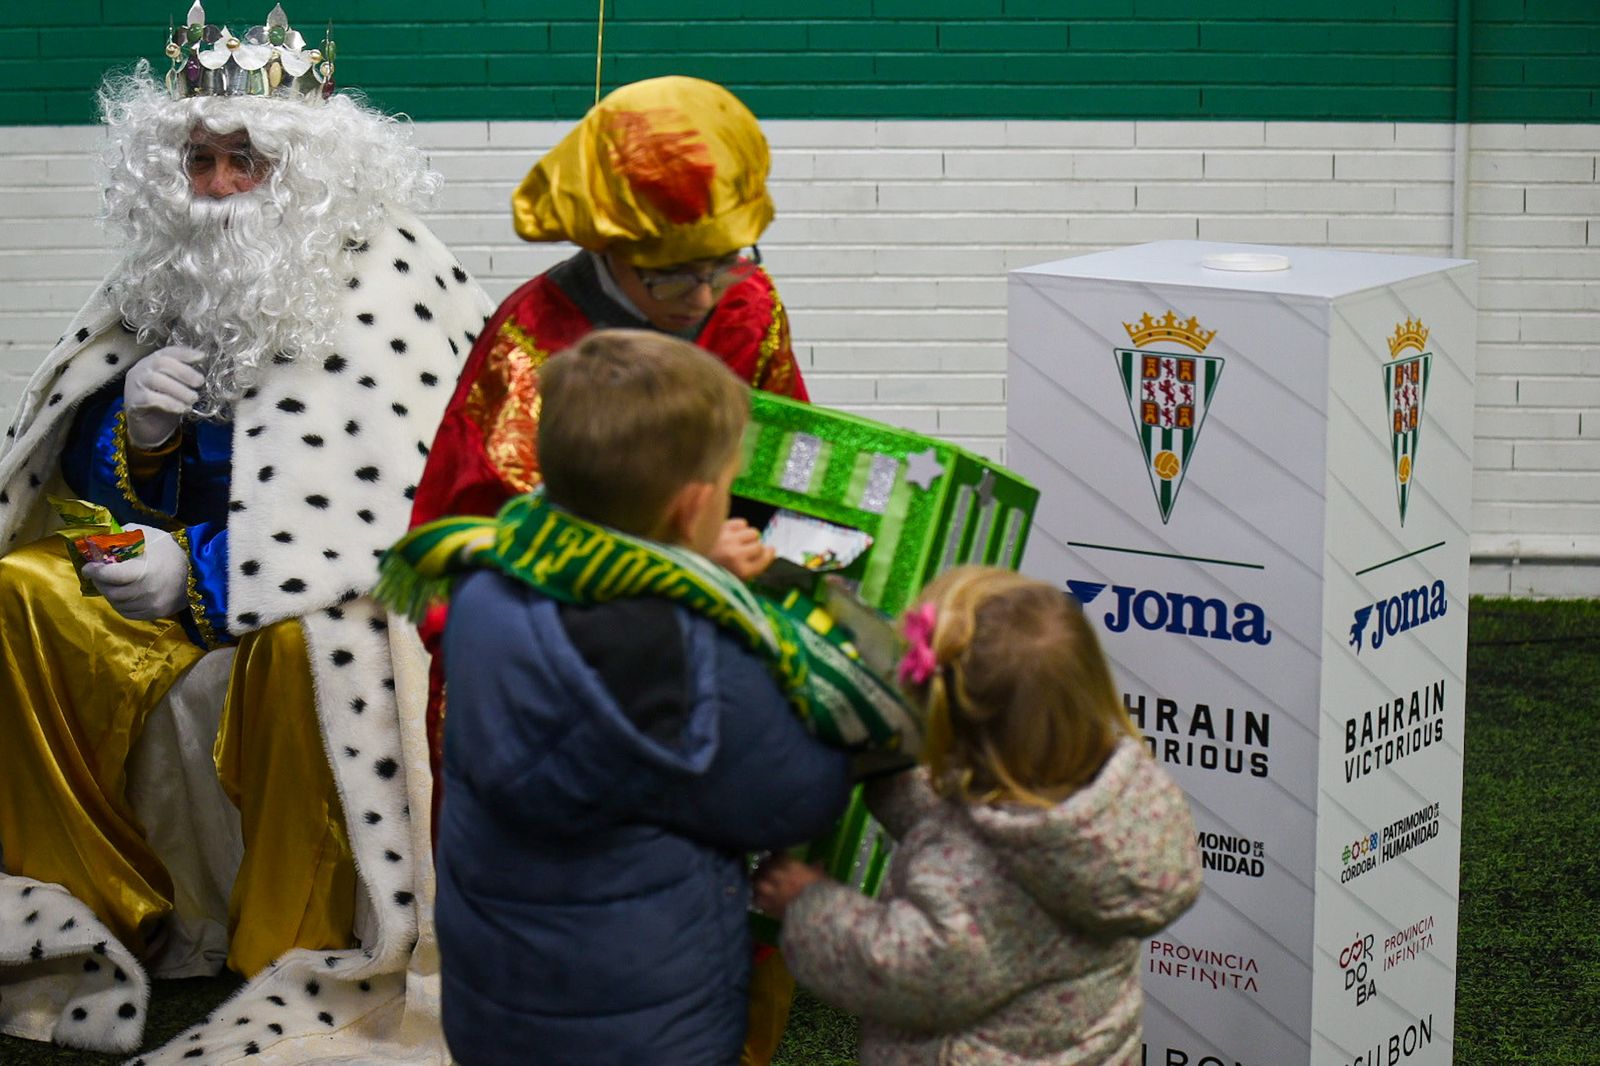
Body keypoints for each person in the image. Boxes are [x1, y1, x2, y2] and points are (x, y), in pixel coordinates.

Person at [0, 5, 492, 1057]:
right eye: (199, 160)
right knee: (20, 593)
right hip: (173, 594)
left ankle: (282, 939)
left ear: (309, 174)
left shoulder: (391, 284)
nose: (217, 188)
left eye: (246, 162)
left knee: (305, 640)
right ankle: (97, 908)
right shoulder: (154, 287)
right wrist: (135, 434)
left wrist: (204, 576)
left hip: (318, 601)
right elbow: (78, 480)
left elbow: (395, 507)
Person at [402, 329, 852, 1066]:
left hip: (499, 997)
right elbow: (799, 796)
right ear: (694, 506)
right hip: (639, 1019)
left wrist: (683, 562)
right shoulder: (695, 650)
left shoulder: (491, 580)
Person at [753, 566, 1205, 1065]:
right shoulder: (1112, 796)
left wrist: (807, 906)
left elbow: (899, 969)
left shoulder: (974, 884)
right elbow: (976, 832)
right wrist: (892, 772)